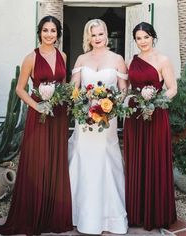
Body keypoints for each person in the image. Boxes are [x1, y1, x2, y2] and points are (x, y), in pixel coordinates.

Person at [0, 15, 73, 235]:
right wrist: (36, 106)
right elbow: (20, 88)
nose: (49, 34)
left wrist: (65, 102)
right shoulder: (31, 57)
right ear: (39, 33)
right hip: (38, 116)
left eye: (53, 31)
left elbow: (63, 85)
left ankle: (53, 215)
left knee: (56, 161)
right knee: (38, 162)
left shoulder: (63, 55)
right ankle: (34, 214)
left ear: (58, 34)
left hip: (58, 115)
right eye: (45, 30)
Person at [69, 19, 128, 235]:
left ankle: (109, 217)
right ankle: (80, 214)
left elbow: (123, 90)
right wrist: (81, 105)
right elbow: (74, 88)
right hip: (84, 119)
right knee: (83, 159)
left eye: (101, 34)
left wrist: (111, 107)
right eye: (93, 35)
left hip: (107, 119)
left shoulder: (117, 59)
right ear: (88, 37)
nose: (97, 38)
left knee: (105, 160)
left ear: (106, 34)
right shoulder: (81, 58)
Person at [123, 22, 177, 231]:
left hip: (156, 114)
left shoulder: (162, 60)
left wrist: (155, 102)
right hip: (135, 116)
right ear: (135, 40)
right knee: (137, 159)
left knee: (154, 159)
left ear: (153, 37)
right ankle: (136, 213)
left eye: (146, 37)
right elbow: (126, 89)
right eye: (138, 38)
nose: (143, 41)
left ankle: (156, 213)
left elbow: (172, 88)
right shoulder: (132, 61)